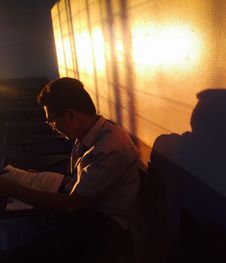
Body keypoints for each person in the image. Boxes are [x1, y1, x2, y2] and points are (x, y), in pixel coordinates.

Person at [0, 77, 140, 262]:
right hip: (85, 219)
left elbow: (72, 203)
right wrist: (36, 178)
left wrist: (11, 188)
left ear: (71, 115)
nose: (53, 128)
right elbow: (83, 181)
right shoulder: (89, 135)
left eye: (52, 121)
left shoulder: (108, 147)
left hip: (102, 230)